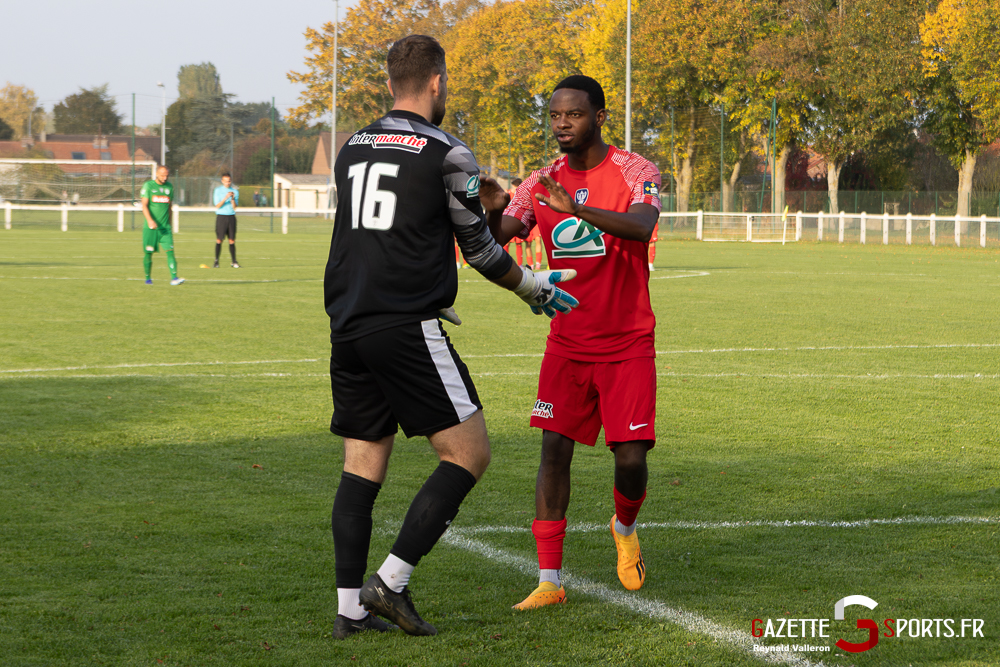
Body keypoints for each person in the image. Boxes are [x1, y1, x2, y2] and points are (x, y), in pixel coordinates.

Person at [325, 34, 580, 640]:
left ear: (391, 82)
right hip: (403, 323)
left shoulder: (351, 147)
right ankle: (389, 583)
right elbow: (481, 249)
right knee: (468, 453)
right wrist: (534, 287)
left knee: (361, 466)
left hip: (348, 323)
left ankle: (348, 611)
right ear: (437, 82)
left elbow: (386, 234)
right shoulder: (448, 152)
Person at [489, 75, 662, 609]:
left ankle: (624, 527)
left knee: (630, 459)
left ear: (599, 117)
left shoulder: (637, 170)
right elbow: (495, 240)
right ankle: (549, 581)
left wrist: (577, 210)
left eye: (574, 114)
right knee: (553, 451)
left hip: (628, 341)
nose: (562, 124)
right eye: (555, 115)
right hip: (567, 341)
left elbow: (642, 226)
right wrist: (489, 208)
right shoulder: (539, 181)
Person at [140, 165, 184, 286]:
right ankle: (148, 279)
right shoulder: (148, 186)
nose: (165, 178)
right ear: (156, 174)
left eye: (167, 176)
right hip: (151, 228)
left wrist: (170, 222)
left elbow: (169, 206)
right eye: (162, 175)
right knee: (148, 253)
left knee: (170, 252)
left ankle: (174, 278)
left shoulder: (169, 187)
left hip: (165, 228)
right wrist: (150, 220)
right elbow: (144, 205)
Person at [213, 172, 240, 268]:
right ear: (222, 181)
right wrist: (225, 198)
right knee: (219, 239)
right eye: (225, 181)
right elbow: (217, 205)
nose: (227, 183)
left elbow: (235, 207)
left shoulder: (235, 191)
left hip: (231, 217)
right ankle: (216, 261)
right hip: (221, 216)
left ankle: (234, 261)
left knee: (231, 240)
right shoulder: (218, 191)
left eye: (229, 181)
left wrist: (232, 199)